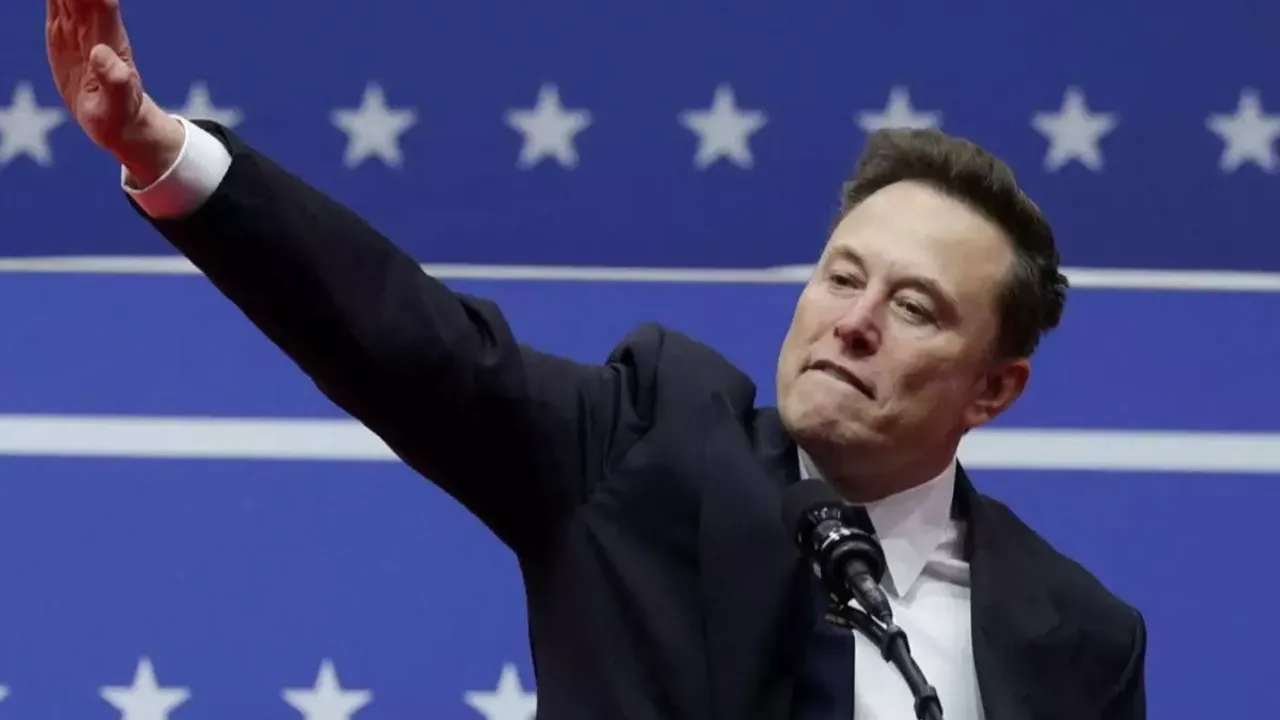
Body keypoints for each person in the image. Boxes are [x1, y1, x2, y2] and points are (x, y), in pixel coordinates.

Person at [46, 1, 1147, 718]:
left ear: (993, 388)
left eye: (911, 307)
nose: (852, 323)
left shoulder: (1079, 639)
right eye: (840, 276)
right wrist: (164, 152)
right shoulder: (645, 448)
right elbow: (405, 340)